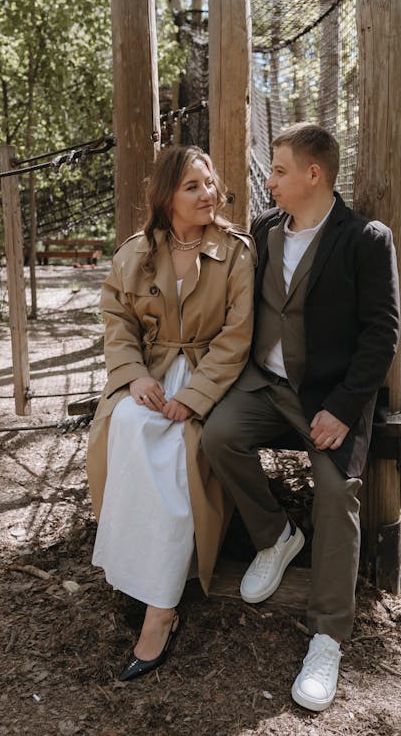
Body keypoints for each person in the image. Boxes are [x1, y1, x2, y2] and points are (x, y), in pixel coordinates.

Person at [202, 123, 400, 711]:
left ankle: (327, 636)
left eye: (280, 170)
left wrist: (342, 408)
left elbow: (381, 333)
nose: (271, 180)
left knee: (337, 493)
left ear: (314, 174)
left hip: (328, 397)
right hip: (263, 385)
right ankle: (276, 536)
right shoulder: (264, 228)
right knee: (216, 436)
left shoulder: (365, 238)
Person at [86, 145, 255, 681]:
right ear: (166, 197)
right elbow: (116, 320)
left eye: (210, 183)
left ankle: (160, 612)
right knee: (128, 426)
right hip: (150, 374)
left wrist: (196, 395)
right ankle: (135, 575)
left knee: (181, 449)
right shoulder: (134, 253)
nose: (208, 193)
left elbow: (237, 337)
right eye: (193, 187)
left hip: (209, 377)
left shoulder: (236, 252)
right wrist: (134, 375)